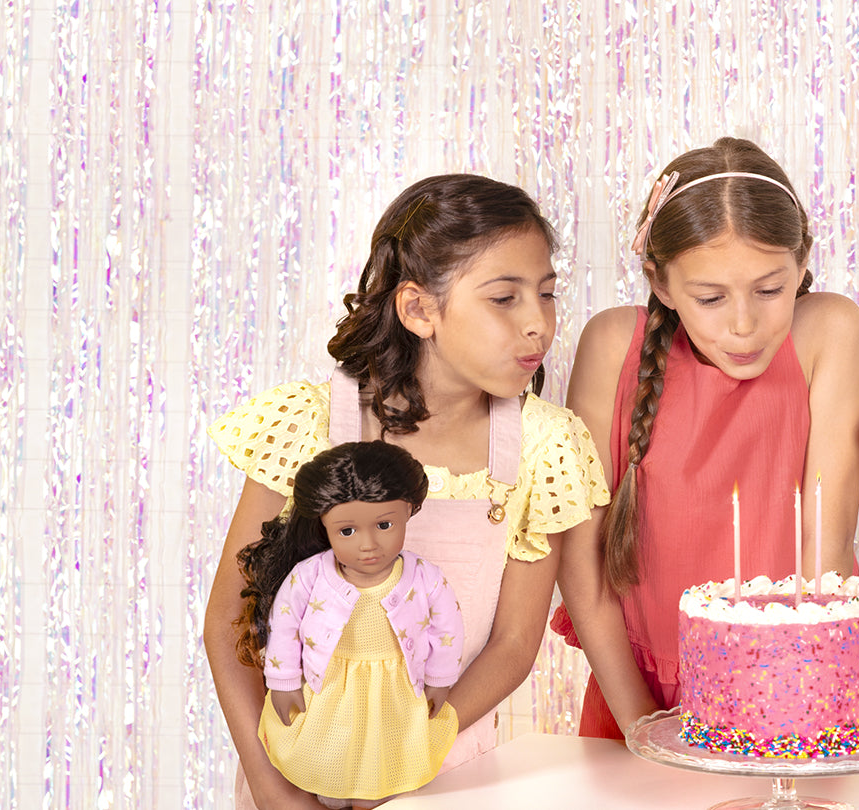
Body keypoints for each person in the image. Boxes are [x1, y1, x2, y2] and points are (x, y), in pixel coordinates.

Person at [205, 174, 610, 810]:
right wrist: (275, 788)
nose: (539, 324)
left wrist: (405, 757)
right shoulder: (306, 424)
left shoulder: (543, 446)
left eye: (548, 294)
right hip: (299, 771)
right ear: (419, 309)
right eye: (504, 298)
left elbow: (511, 648)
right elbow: (229, 623)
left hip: (447, 773)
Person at [553, 136, 859, 737]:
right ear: (662, 283)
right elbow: (582, 563)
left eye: (770, 289)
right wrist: (644, 727)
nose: (745, 324)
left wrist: (790, 715)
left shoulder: (829, 329)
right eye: (710, 297)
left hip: (794, 684)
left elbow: (825, 553)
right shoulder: (610, 344)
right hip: (636, 695)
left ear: (802, 264)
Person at [234, 441, 464, 808]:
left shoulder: (424, 577)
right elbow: (285, 626)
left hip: (395, 689)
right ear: (323, 524)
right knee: (329, 752)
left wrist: (440, 679)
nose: (368, 544)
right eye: (347, 531)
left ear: (408, 511)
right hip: (329, 686)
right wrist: (283, 683)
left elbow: (447, 630)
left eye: (384, 525)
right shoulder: (309, 576)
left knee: (384, 759)